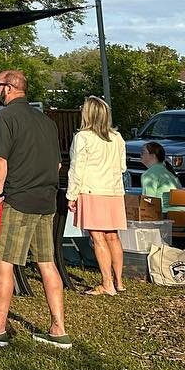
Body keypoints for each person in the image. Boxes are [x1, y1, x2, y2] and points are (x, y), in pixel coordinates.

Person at [0, 69, 69, 349]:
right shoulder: (47, 122)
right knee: (47, 263)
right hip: (46, 201)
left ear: (8, 88)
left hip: (17, 200)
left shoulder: (3, 118)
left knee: (3, 264)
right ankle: (58, 328)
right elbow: (57, 164)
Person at [67, 96, 127, 296]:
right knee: (113, 236)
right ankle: (119, 281)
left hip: (92, 190)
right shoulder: (117, 137)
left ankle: (107, 283)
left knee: (98, 238)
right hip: (114, 191)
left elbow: (77, 168)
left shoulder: (83, 137)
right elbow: (122, 166)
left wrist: (71, 194)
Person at [140, 142, 185, 214]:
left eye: (143, 152)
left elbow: (149, 200)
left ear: (153, 155)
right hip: (181, 214)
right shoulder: (167, 170)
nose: (140, 154)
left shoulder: (150, 174)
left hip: (164, 214)